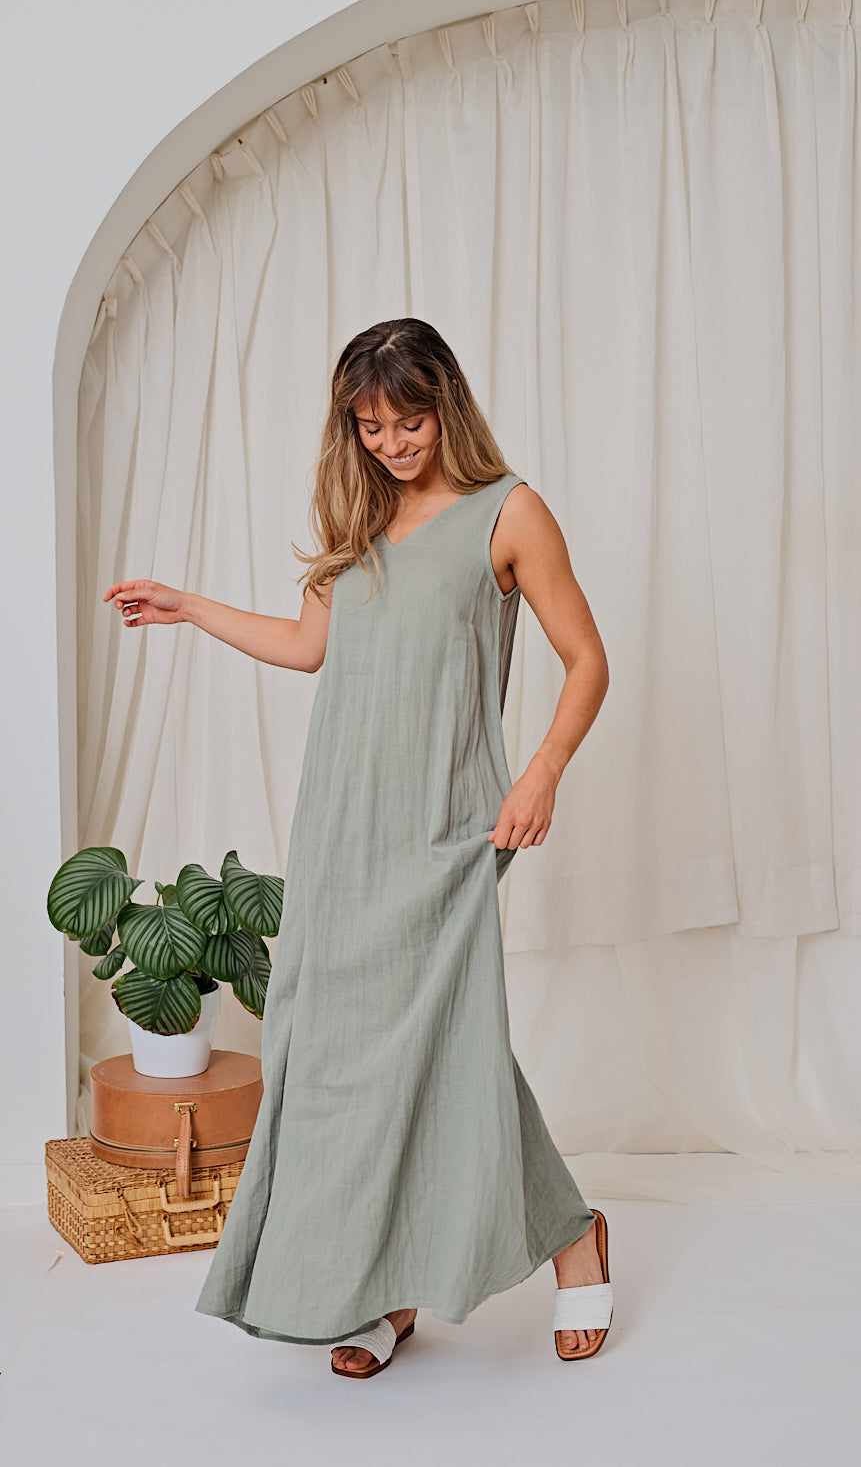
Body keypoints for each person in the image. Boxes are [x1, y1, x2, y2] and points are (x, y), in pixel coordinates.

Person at [103, 317, 614, 1376]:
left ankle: (568, 1238)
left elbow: (586, 659)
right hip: (342, 828)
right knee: (344, 1056)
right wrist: (187, 606)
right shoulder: (359, 516)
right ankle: (387, 1285)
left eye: (406, 422)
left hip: (446, 826)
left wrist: (542, 772)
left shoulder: (508, 512)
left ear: (446, 405)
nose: (390, 444)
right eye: (370, 427)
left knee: (445, 1044)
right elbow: (308, 648)